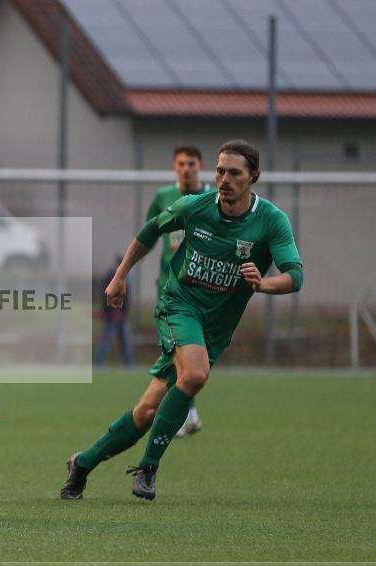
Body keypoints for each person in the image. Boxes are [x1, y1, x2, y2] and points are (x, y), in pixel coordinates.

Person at [60, 140, 303, 502]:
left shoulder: (271, 220)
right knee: (195, 374)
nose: (224, 178)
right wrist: (120, 276)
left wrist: (262, 283)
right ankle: (148, 467)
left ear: (253, 176)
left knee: (146, 412)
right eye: (220, 171)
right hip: (179, 304)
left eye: (234, 172)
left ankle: (83, 463)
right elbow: (150, 231)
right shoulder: (195, 206)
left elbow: (294, 276)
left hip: (216, 328)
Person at [146, 144, 210, 436]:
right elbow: (149, 233)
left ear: (200, 166)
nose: (186, 169)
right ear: (174, 167)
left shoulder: (213, 198)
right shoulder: (163, 197)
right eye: (181, 164)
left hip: (202, 288)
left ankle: (186, 411)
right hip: (169, 287)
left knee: (190, 352)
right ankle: (188, 413)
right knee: (175, 350)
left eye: (191, 164)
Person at [94, 256, 134, 367]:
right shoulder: (114, 275)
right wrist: (114, 310)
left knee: (123, 342)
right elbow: (109, 293)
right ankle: (99, 364)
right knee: (108, 340)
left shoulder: (120, 275)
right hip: (114, 315)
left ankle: (130, 365)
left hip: (119, 314)